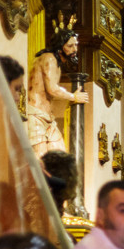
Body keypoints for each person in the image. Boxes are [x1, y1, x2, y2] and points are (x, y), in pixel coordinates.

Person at [27, 22, 89, 155]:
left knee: (61, 157)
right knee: (41, 162)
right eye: (70, 46)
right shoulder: (49, 59)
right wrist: (74, 97)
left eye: (76, 45)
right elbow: (52, 89)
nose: (75, 49)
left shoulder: (57, 63)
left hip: (48, 119)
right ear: (60, 47)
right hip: (36, 116)